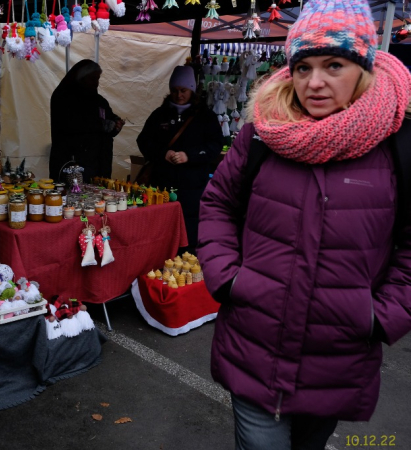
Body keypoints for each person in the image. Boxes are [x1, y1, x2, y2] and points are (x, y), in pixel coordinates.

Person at [197, 1, 411, 449]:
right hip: (253, 342)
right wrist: (229, 278)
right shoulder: (261, 134)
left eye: (334, 65)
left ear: (364, 68)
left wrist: (380, 315)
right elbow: (218, 203)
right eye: (303, 67)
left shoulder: (397, 146)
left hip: (338, 355)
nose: (315, 83)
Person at [137, 65, 223, 253]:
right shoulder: (159, 115)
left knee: (189, 230)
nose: (179, 95)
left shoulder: (205, 117)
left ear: (191, 90)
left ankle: (186, 262)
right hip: (162, 184)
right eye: (174, 91)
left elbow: (215, 145)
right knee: (160, 227)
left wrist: (189, 156)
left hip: (192, 186)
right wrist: (163, 154)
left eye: (183, 90)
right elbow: (143, 141)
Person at [49, 59, 124, 182]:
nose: (96, 83)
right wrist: (102, 125)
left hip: (99, 165)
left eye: (98, 79)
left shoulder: (99, 101)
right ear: (81, 78)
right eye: (92, 79)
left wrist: (116, 123)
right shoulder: (63, 97)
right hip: (73, 165)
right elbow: (70, 125)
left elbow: (108, 119)